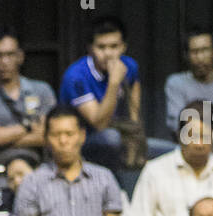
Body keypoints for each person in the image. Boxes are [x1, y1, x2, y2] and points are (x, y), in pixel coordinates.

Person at [59, 14, 173, 188]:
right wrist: (113, 82)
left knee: (171, 152)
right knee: (111, 139)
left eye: (114, 46)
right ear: (90, 48)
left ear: (123, 47)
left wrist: (135, 132)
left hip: (119, 135)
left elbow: (135, 95)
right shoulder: (76, 76)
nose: (108, 53)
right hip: (83, 141)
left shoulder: (130, 66)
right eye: (101, 47)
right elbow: (99, 123)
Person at [0, 27, 54, 191]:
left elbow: (47, 136)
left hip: (39, 169)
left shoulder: (42, 91)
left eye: (10, 54)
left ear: (20, 56)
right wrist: (28, 127)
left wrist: (2, 135)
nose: (4, 61)